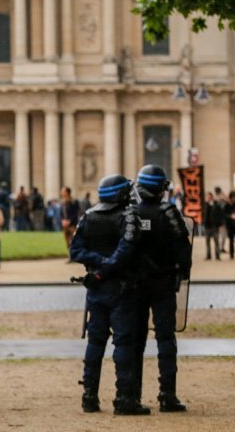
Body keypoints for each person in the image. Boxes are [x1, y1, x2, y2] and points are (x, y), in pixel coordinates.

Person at [70, 174, 146, 416]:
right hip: (120, 287)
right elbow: (126, 250)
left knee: (95, 343)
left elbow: (76, 250)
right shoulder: (129, 216)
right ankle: (124, 398)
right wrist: (106, 266)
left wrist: (97, 265)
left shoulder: (88, 216)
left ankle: (89, 396)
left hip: (96, 287)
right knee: (123, 343)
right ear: (122, 194)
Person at [132, 165, 192, 413]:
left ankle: (130, 394)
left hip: (135, 286)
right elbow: (184, 250)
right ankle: (167, 394)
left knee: (134, 341)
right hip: (164, 284)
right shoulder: (170, 213)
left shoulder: (131, 213)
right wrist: (181, 274)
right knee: (166, 339)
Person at [61, 187, 81, 260]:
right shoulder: (63, 202)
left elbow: (76, 213)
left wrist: (70, 221)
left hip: (72, 224)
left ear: (67, 192)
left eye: (63, 191)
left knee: (74, 241)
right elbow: (62, 213)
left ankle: (76, 256)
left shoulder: (73, 201)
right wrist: (63, 220)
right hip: (65, 225)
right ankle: (70, 256)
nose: (61, 193)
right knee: (67, 241)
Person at [203, 191, 222, 260]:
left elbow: (219, 214)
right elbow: (204, 214)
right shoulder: (205, 205)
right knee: (207, 242)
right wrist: (207, 204)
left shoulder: (216, 205)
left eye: (210, 197)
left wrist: (220, 224)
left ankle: (217, 255)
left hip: (214, 226)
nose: (209, 198)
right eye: (207, 197)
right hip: (207, 226)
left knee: (216, 241)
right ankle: (208, 255)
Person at [223, 191, 235, 260]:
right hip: (230, 225)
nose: (234, 199)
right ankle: (231, 254)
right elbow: (224, 215)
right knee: (231, 240)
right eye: (232, 197)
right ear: (230, 198)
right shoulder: (227, 205)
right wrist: (230, 216)